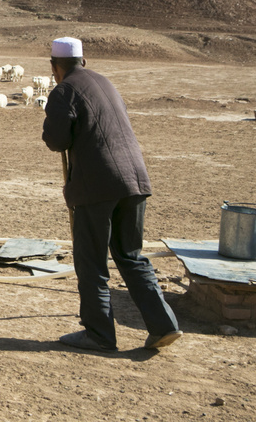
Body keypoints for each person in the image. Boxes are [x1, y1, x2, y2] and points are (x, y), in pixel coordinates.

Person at [41, 36, 182, 352]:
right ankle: (164, 325)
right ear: (84, 61)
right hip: (135, 180)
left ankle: (99, 334)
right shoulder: (104, 82)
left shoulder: (64, 90)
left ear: (54, 67)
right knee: (130, 255)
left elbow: (56, 140)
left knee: (91, 261)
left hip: (98, 185)